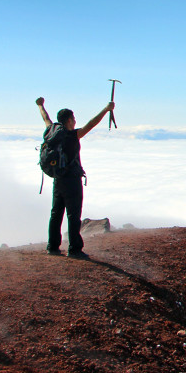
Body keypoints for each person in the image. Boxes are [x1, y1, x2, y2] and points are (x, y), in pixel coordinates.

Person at [36, 97, 115, 259]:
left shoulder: (51, 131)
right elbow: (91, 124)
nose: (75, 121)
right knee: (73, 215)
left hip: (57, 180)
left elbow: (46, 118)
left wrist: (40, 105)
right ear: (69, 121)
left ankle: (52, 246)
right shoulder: (72, 136)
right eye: (74, 119)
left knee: (55, 213)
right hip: (72, 181)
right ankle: (74, 249)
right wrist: (106, 109)